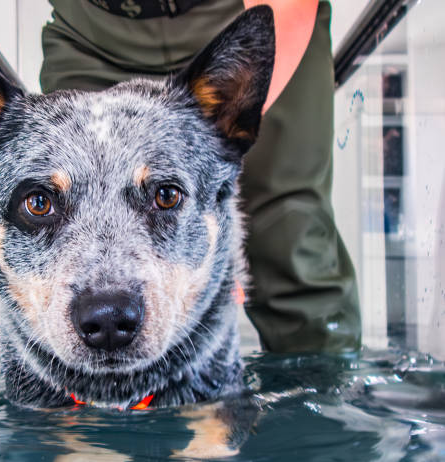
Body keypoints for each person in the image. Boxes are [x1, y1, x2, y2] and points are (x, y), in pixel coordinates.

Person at [39, 0, 361, 353]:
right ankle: (94, 404)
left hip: (242, 13)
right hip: (92, 31)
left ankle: (320, 393)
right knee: (85, 256)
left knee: (290, 236)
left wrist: (208, 165)